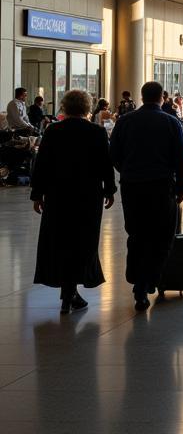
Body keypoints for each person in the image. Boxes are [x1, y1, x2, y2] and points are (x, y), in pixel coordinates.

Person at [30, 89, 116, 314]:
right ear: (87, 107)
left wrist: (37, 194)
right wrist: (110, 189)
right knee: (83, 241)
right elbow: (105, 164)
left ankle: (67, 293)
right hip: (88, 196)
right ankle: (71, 292)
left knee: (60, 240)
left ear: (64, 107)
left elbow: (42, 165)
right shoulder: (96, 132)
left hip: (59, 195)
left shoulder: (53, 131)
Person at [108, 81, 183, 311]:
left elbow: (113, 153)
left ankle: (139, 283)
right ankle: (149, 280)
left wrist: (128, 170)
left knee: (136, 234)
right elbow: (181, 158)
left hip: (132, 186)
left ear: (141, 97)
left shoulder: (125, 121)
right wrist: (182, 186)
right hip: (161, 186)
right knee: (163, 235)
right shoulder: (171, 122)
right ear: (162, 98)